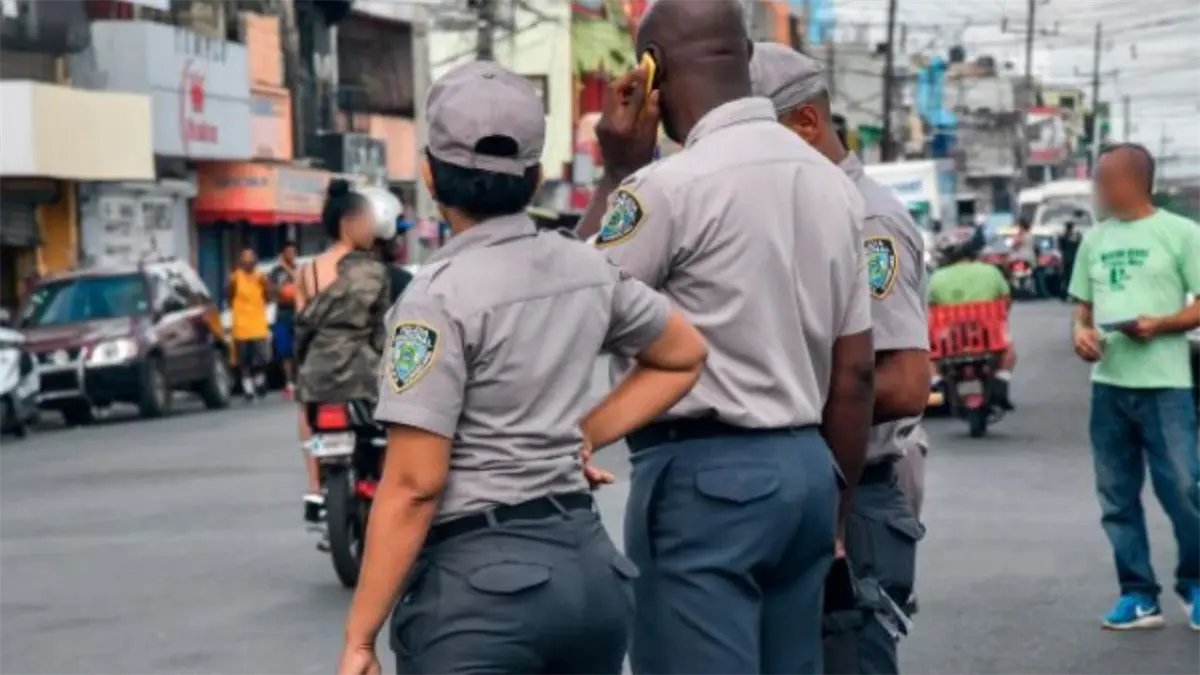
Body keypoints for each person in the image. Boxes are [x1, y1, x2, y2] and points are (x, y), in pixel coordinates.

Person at [335, 61, 708, 675]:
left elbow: (413, 484)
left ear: (429, 174)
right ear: (534, 178)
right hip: (589, 578)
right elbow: (682, 354)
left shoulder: (434, 300)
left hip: (480, 601)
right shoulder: (585, 269)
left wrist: (359, 638)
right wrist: (583, 435)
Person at [577, 2, 877, 672]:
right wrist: (833, 504)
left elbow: (567, 308)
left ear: (650, 71)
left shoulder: (665, 188)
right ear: (745, 57)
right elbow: (856, 373)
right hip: (807, 471)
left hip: (706, 479)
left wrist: (614, 171)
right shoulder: (835, 188)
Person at [750, 43, 931, 674]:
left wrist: (781, 400)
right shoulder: (801, 212)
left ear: (804, 123)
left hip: (859, 494)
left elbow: (905, 382)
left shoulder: (868, 220)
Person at [1067, 143, 1200, 632]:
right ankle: (1138, 595)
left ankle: (1196, 583)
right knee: (1117, 498)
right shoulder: (1094, 241)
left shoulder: (1182, 234)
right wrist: (1080, 334)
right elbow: (1081, 308)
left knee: (1186, 490)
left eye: (1105, 180)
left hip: (1166, 386)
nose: (1099, 191)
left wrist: (1160, 323)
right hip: (1109, 388)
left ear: (1136, 181)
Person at [293, 180, 393, 535]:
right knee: (390, 427)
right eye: (367, 221)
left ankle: (313, 487)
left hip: (317, 369)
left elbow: (301, 328)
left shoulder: (306, 271)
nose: (372, 229)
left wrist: (302, 370)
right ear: (349, 224)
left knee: (308, 414)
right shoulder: (373, 272)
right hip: (362, 371)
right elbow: (380, 332)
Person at [927, 231, 1016, 409]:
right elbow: (1006, 302)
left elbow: (929, 308)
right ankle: (1001, 381)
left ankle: (938, 381)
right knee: (1009, 351)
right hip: (988, 338)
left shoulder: (936, 278)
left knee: (927, 354)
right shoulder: (991, 272)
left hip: (948, 342)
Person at [227, 248, 270, 403]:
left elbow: (268, 296)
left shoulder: (261, 277)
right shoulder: (235, 278)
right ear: (241, 262)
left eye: (251, 258)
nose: (248, 261)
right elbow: (229, 297)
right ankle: (248, 388)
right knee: (244, 359)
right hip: (241, 325)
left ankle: (259, 381)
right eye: (245, 258)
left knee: (261, 358)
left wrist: (265, 285)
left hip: (257, 323)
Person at [268, 241, 300, 398]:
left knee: (299, 348)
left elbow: (300, 285)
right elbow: (272, 291)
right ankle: (289, 382)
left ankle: (299, 380)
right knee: (285, 351)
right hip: (283, 314)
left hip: (299, 313)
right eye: (288, 252)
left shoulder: (299, 269)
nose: (291, 255)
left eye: (293, 252)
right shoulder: (275, 272)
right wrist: (282, 291)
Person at [1058, 219, 1083, 301]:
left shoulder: (1067, 236)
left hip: (1068, 259)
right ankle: (1069, 295)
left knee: (1067, 278)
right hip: (1071, 260)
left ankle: (1068, 295)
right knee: (1070, 278)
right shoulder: (1071, 236)